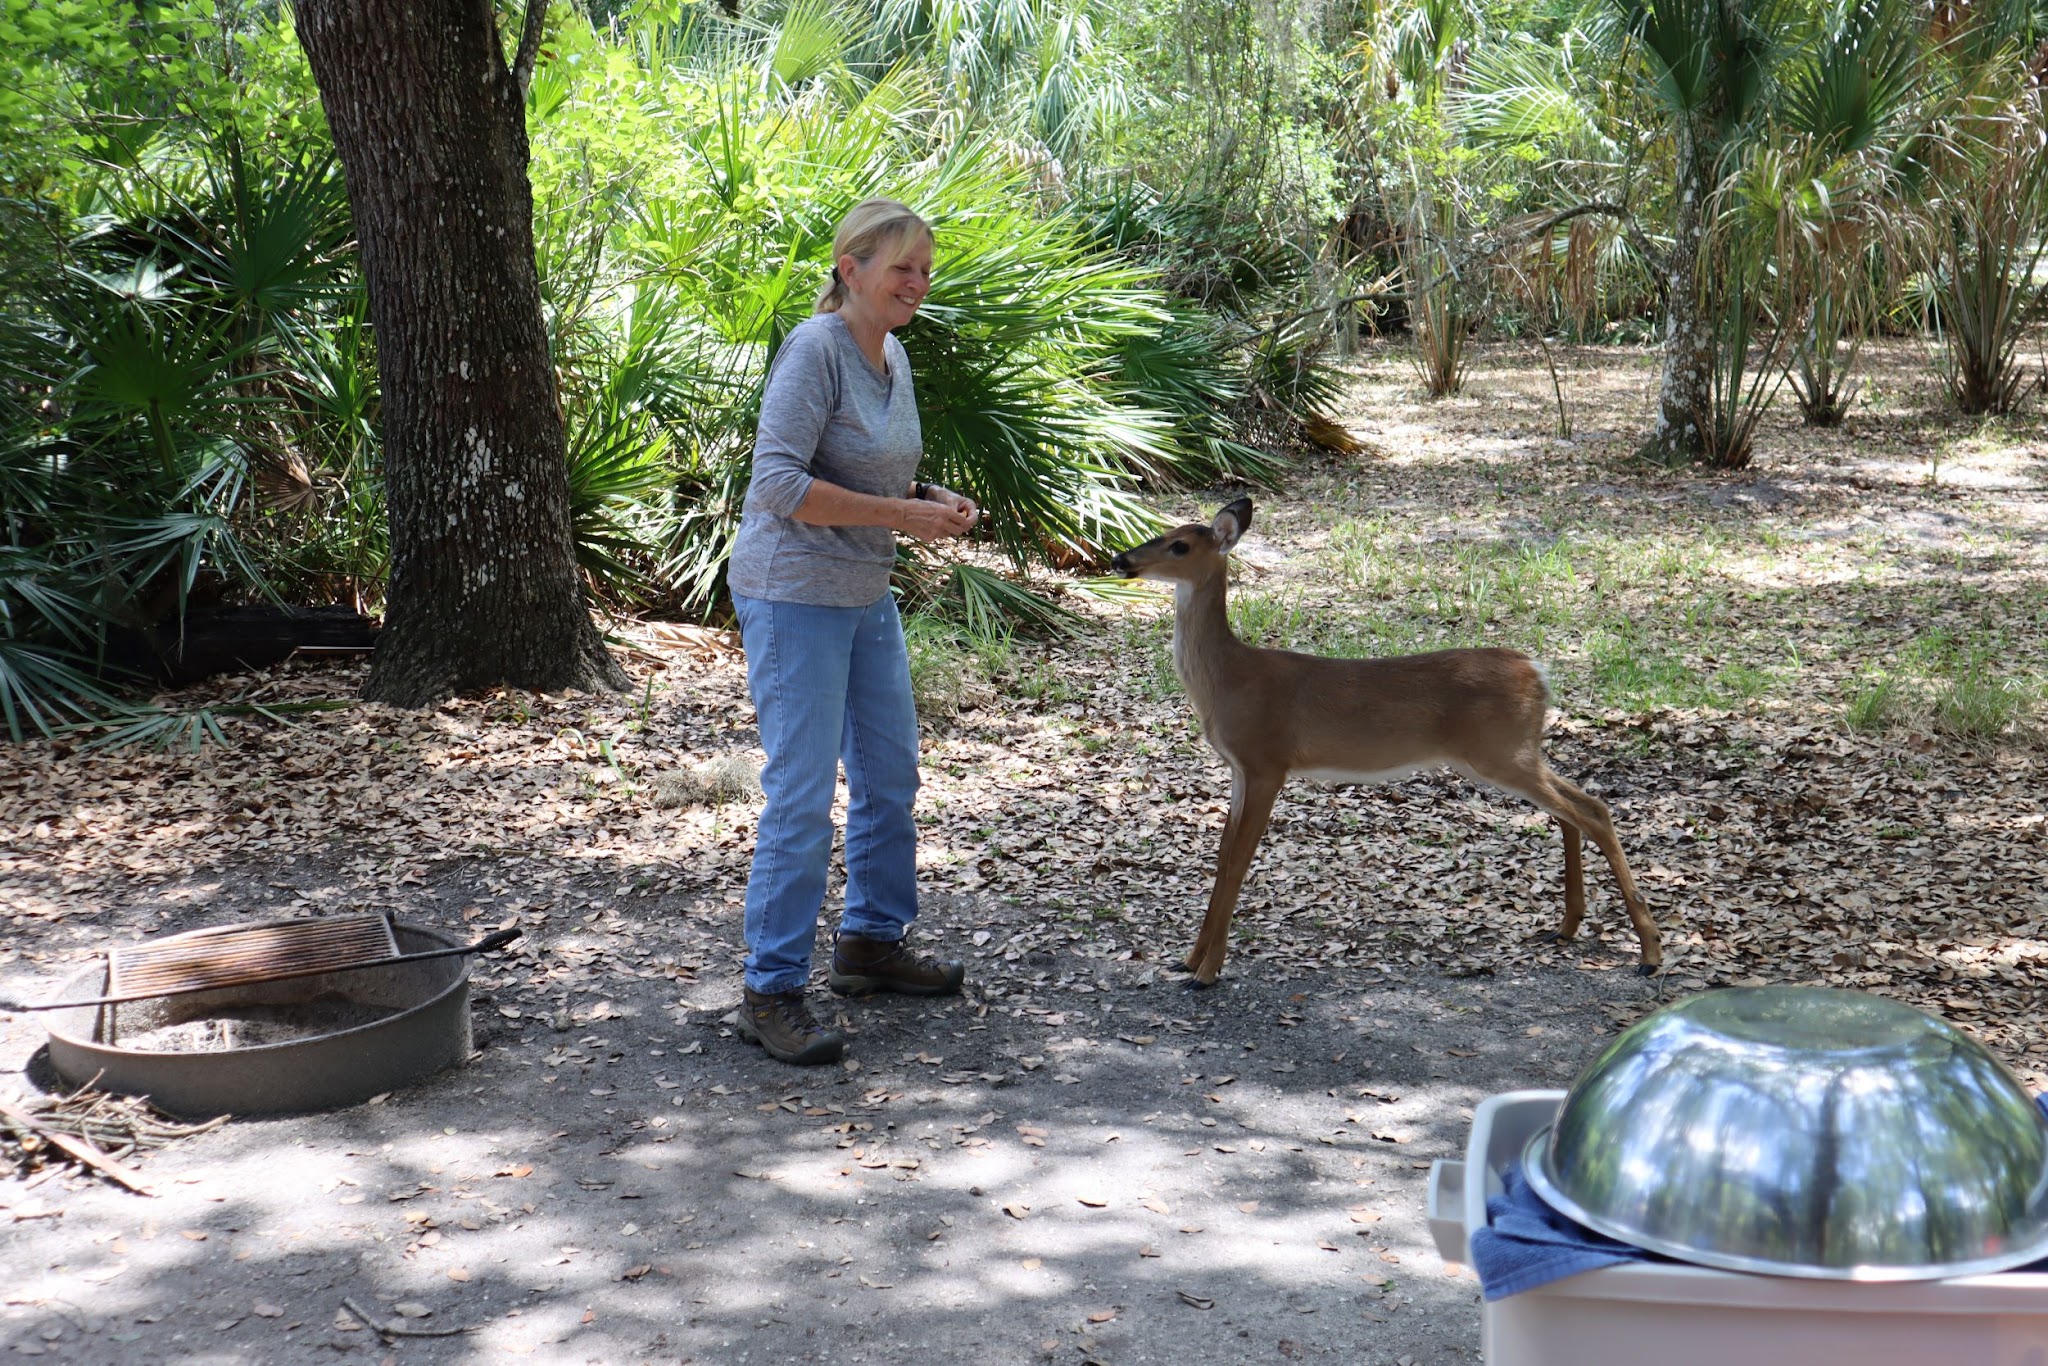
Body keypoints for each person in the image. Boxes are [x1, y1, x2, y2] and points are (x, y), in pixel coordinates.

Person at [724, 198, 978, 1066]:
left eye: (924, 268)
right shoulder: (815, 350)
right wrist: (901, 515)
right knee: (801, 794)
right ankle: (772, 987)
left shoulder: (893, 354)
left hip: (864, 590)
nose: (915, 281)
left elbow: (871, 468)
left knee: (890, 770)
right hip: (792, 593)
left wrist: (931, 500)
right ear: (850, 268)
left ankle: (870, 943)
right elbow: (779, 485)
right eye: (900, 265)